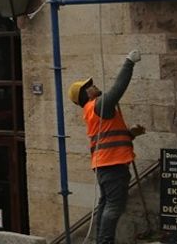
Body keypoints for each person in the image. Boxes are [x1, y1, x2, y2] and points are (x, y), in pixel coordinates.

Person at [69, 50, 145, 244]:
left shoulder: (93, 110)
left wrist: (130, 134)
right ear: (85, 94)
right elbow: (118, 89)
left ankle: (101, 240)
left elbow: (109, 137)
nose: (94, 86)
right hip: (112, 164)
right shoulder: (99, 105)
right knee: (114, 206)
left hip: (105, 164)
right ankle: (104, 241)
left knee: (106, 204)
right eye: (90, 86)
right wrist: (129, 62)